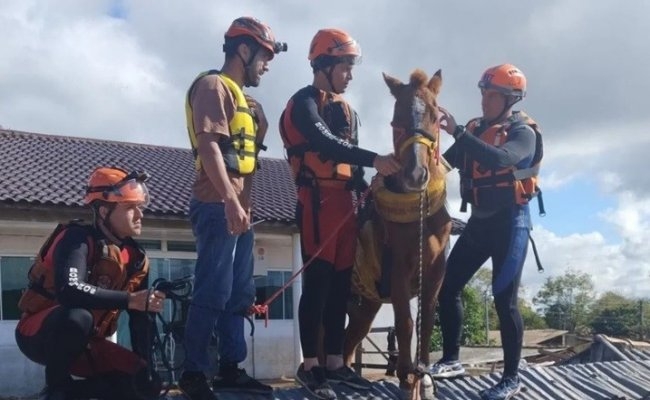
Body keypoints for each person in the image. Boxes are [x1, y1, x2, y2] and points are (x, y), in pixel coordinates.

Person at [279, 28, 401, 400]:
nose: (349, 75)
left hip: (346, 204)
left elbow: (353, 161)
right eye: (345, 67)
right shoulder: (304, 103)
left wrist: (368, 189)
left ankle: (336, 364)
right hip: (317, 203)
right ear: (326, 64)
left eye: (351, 67)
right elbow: (323, 143)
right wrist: (375, 158)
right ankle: (310, 366)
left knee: (339, 288)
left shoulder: (348, 111)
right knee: (316, 285)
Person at [178, 16, 287, 400]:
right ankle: (193, 374)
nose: (267, 65)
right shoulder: (213, 87)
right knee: (213, 288)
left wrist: (245, 207)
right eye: (265, 56)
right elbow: (210, 146)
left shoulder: (249, 104)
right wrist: (228, 200)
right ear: (244, 49)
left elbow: (248, 163)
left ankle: (230, 369)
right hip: (214, 204)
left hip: (239, 211)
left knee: (239, 292)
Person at [429, 64, 543, 400]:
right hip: (480, 222)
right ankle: (452, 360)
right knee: (446, 287)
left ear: (509, 98)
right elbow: (443, 165)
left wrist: (459, 133)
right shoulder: (476, 129)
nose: (483, 100)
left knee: (504, 301)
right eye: (482, 92)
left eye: (490, 94)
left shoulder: (523, 132)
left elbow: (501, 159)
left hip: (511, 223)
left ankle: (511, 378)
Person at [15, 166, 163, 400]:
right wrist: (130, 300)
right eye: (130, 208)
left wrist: (145, 366)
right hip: (41, 333)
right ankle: (56, 388)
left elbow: (140, 318)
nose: (140, 215)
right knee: (78, 316)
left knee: (146, 382)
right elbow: (69, 290)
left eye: (140, 207)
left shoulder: (137, 258)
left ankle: (69, 393)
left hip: (88, 343)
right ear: (104, 211)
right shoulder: (77, 238)